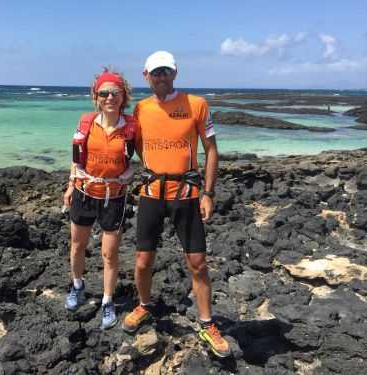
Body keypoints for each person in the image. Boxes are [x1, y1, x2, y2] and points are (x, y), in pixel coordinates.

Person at [122, 51, 231, 358]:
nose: (161, 77)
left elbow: (211, 150)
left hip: (187, 195)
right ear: (146, 75)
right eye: (155, 72)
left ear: (175, 73)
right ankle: (144, 305)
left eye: (166, 72)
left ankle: (207, 323)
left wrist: (208, 193)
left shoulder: (197, 104)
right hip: (151, 195)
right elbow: (130, 150)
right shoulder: (139, 110)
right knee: (143, 261)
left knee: (197, 263)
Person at [63, 68, 136, 330]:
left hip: (114, 198)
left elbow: (144, 157)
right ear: (96, 97)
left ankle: (107, 301)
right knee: (76, 245)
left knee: (109, 254)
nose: (109, 97)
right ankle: (78, 286)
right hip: (84, 193)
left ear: (123, 96)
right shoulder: (85, 123)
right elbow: (75, 159)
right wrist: (71, 185)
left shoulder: (131, 127)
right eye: (103, 93)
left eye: (115, 92)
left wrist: (131, 173)